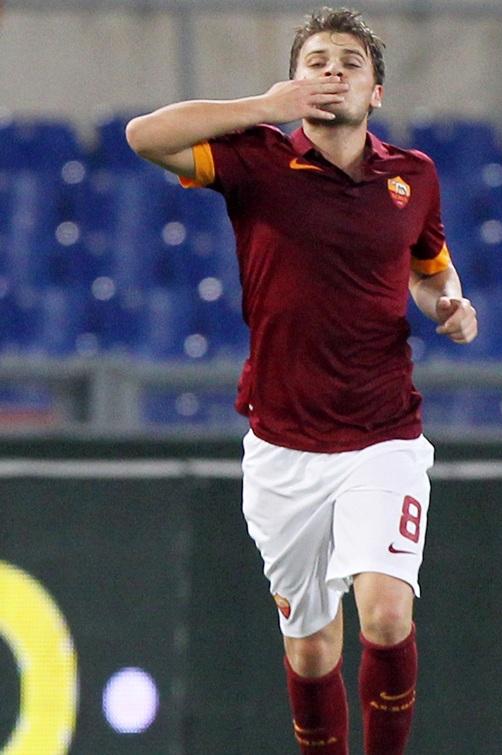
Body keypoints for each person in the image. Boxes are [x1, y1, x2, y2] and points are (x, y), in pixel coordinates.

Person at [126, 7, 477, 753]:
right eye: (316, 60)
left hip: (384, 431)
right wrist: (262, 106)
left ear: (375, 91)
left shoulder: (413, 177)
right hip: (283, 442)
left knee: (384, 615)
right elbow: (144, 136)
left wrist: (448, 303)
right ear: (296, 79)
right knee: (313, 649)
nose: (332, 71)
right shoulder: (255, 160)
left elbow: (429, 267)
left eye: (349, 61)